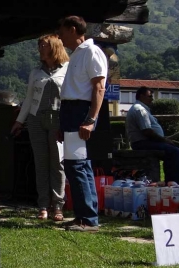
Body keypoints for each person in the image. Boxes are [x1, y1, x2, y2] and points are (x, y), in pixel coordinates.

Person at [11, 34, 69, 221]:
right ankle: (43, 205)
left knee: (57, 163)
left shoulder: (67, 69)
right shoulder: (36, 72)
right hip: (37, 119)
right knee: (41, 162)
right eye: (40, 45)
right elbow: (28, 99)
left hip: (58, 119)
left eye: (43, 45)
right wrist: (20, 121)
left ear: (54, 47)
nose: (40, 49)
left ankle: (58, 206)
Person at [57, 16, 108, 232]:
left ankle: (88, 219)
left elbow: (99, 87)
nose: (60, 36)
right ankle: (83, 216)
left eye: (63, 31)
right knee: (75, 165)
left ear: (73, 30)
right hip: (70, 111)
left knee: (77, 165)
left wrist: (90, 119)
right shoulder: (77, 54)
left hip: (81, 112)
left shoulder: (91, 52)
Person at [125, 86, 179, 184]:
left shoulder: (141, 108)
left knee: (171, 152)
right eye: (150, 96)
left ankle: (170, 182)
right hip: (143, 143)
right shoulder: (140, 110)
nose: (152, 99)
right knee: (175, 152)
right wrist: (164, 140)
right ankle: (174, 184)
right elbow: (147, 131)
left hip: (143, 142)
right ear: (141, 96)